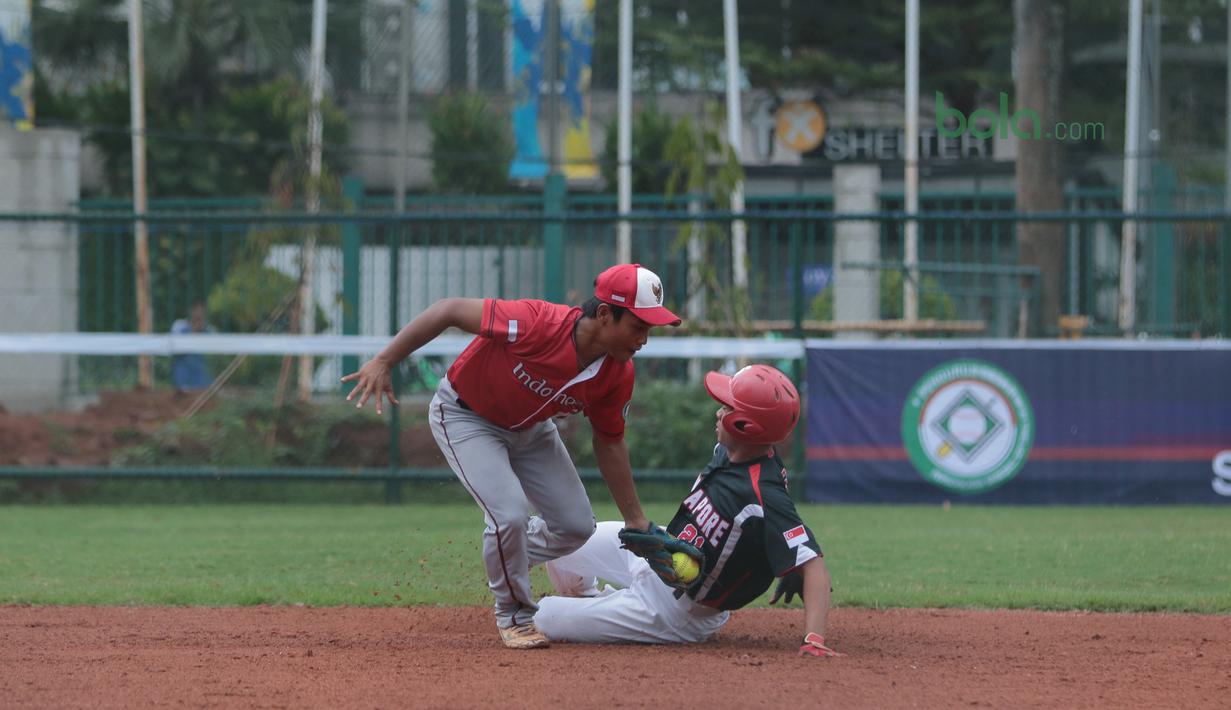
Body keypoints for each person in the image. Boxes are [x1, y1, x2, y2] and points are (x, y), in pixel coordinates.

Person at [341, 263, 687, 649]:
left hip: (531, 430)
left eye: (649, 330)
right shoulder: (536, 323)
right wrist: (385, 360)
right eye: (638, 327)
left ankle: (505, 555)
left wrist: (635, 519)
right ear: (605, 314)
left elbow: (609, 441)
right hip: (465, 416)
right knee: (508, 516)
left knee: (575, 528)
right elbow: (448, 309)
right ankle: (514, 615)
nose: (643, 340)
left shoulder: (617, 373)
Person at [534, 364, 843, 658]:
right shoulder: (728, 452)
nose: (718, 411)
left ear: (745, 427)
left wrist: (813, 636)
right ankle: (593, 603)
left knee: (541, 617)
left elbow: (813, 564)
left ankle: (607, 613)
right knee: (563, 544)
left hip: (675, 611)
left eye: (727, 408)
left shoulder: (763, 493)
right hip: (660, 550)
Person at [170, 302, 213, 392]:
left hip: (202, 383)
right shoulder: (180, 326)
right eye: (197, 310)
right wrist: (194, 331)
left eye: (202, 311)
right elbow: (176, 346)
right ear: (191, 312)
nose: (199, 314)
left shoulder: (209, 331)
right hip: (182, 382)